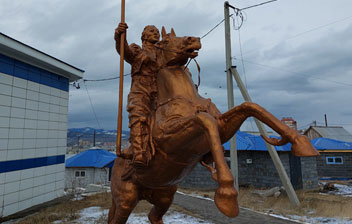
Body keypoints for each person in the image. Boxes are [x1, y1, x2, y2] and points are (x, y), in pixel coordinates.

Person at [114, 22, 160, 167]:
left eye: (157, 31)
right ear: (144, 36)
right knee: (138, 116)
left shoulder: (162, 53)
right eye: (152, 31)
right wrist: (120, 36)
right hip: (141, 91)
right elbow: (124, 51)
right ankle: (139, 152)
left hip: (159, 92)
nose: (156, 33)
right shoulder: (137, 51)